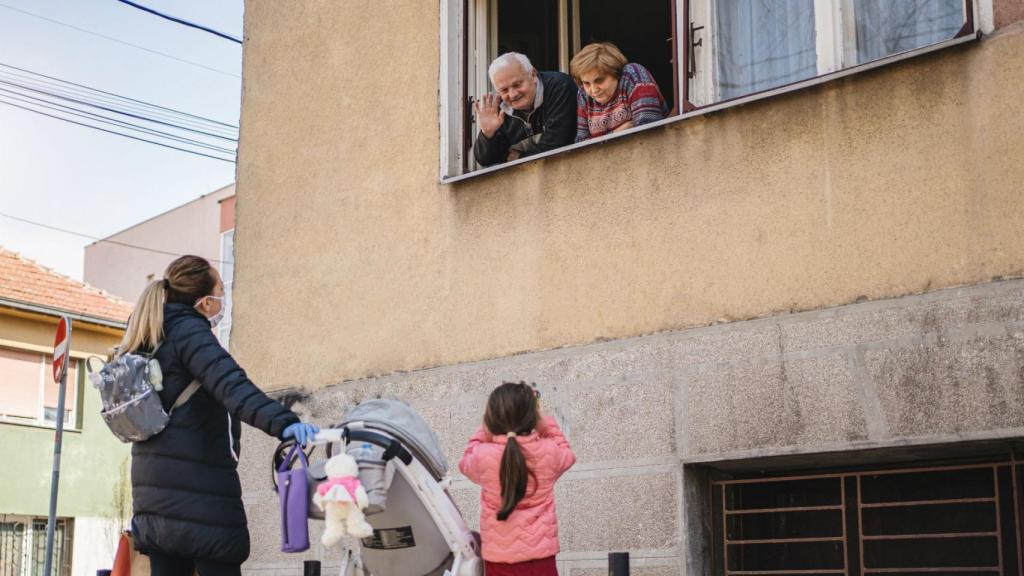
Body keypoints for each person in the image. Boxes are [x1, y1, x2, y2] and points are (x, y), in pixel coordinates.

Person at [120, 255, 319, 576]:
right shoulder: (189, 332)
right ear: (204, 302)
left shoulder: (150, 333)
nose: (222, 302)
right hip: (200, 491)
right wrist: (285, 423)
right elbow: (233, 386)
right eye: (220, 292)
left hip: (152, 494)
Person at [459, 381, 576, 576]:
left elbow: (465, 461)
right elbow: (567, 453)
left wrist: (487, 428)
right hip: (541, 560)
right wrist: (541, 420)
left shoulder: (482, 455)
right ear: (532, 417)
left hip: (499, 562)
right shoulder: (548, 451)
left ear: (491, 418)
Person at [473, 52, 578, 167]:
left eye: (517, 85)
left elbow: (557, 147)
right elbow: (486, 160)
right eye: (504, 90)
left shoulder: (559, 86)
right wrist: (487, 133)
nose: (512, 95)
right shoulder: (498, 109)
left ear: (533, 75)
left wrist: (518, 158)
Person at [570, 42, 669, 142]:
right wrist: (616, 133)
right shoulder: (583, 94)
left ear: (616, 73)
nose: (593, 90)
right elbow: (581, 143)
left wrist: (603, 140)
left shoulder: (632, 75)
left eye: (599, 80)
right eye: (586, 83)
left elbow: (648, 129)